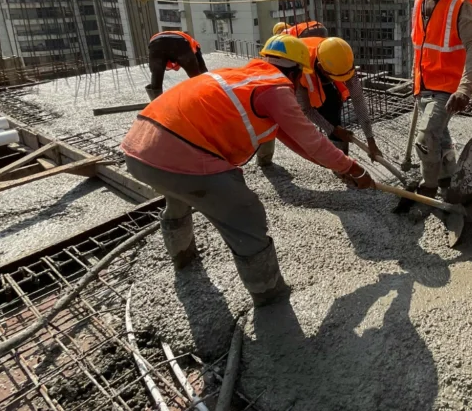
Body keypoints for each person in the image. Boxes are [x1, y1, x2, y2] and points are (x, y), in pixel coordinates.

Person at [121, 34, 374, 307]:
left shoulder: (241, 75)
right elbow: (311, 141)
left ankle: (183, 257)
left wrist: (337, 166)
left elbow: (297, 141)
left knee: (179, 196)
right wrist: (353, 169)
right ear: (298, 70)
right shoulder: (275, 88)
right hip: (183, 152)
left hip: (140, 148)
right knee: (246, 214)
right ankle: (269, 296)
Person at [401, 0, 472, 211]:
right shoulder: (418, 2)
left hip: (447, 88)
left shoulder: (462, 5)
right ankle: (449, 180)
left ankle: (429, 187)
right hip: (423, 86)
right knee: (441, 138)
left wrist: (465, 89)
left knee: (426, 140)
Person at [257, 36, 383, 166]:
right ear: (321, 68)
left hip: (316, 72)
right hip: (283, 67)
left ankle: (341, 161)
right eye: (335, 77)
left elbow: (358, 100)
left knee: (333, 103)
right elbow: (306, 109)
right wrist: (331, 129)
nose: (341, 80)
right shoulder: (300, 72)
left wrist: (370, 140)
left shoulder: (341, 61)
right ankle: (264, 156)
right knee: (269, 113)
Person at [145, 30, 208, 100]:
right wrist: (206, 79)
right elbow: (202, 68)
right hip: (179, 43)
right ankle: (205, 97)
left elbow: (155, 68)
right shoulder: (193, 43)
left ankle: (156, 104)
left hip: (155, 44)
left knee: (156, 81)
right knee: (196, 76)